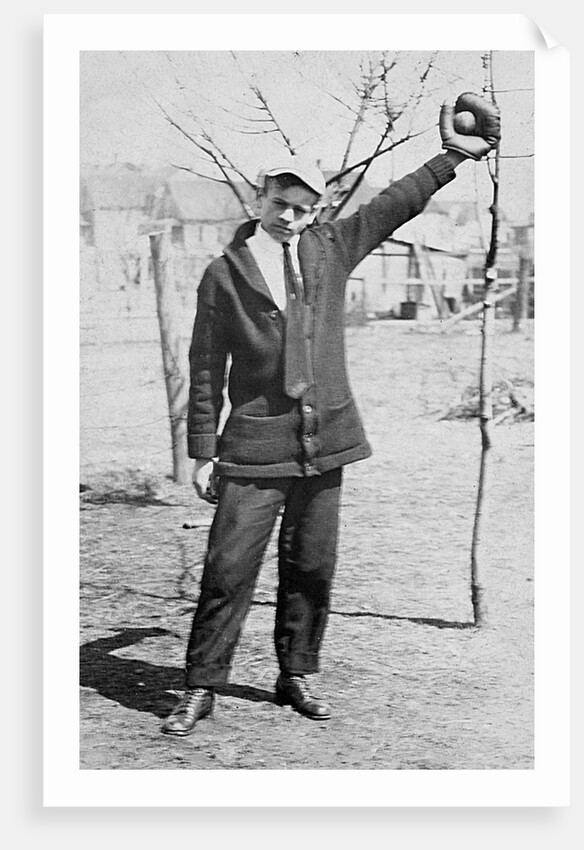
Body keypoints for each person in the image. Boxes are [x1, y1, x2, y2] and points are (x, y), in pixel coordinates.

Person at [161, 92, 501, 736]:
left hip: (328, 440)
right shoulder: (224, 273)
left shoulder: (331, 247)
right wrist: (201, 452)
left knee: (312, 564)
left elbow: (393, 204)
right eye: (279, 204)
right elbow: (205, 367)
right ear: (260, 198)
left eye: (300, 208)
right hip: (254, 446)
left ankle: (297, 674)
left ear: (313, 209)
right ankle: (201, 686)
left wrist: (451, 157)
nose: (288, 217)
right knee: (228, 569)